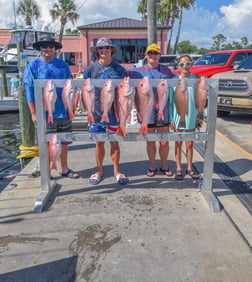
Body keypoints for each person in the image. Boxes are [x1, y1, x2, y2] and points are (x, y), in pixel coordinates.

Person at [23, 36, 79, 179]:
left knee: (64, 141)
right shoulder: (32, 66)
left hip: (63, 111)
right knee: (45, 142)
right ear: (40, 49)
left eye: (51, 46)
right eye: (44, 46)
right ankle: (46, 170)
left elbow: (70, 87)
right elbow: (29, 90)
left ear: (55, 49)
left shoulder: (63, 65)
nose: (48, 49)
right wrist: (33, 113)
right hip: (44, 113)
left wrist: (71, 107)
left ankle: (64, 168)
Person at [83, 37, 129, 185]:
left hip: (115, 113)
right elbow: (84, 90)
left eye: (107, 48)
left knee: (115, 143)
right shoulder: (90, 69)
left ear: (112, 50)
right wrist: (87, 110)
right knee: (99, 143)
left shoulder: (120, 69)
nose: (104, 50)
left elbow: (125, 92)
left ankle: (116, 170)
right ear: (97, 51)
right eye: (101, 48)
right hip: (95, 113)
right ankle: (99, 170)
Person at [129, 43, 174, 177]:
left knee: (164, 140)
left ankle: (164, 166)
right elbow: (122, 76)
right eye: (150, 53)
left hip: (163, 111)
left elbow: (177, 83)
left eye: (155, 53)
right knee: (150, 140)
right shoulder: (138, 71)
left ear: (160, 55)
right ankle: (153, 166)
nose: (152, 55)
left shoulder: (166, 71)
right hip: (146, 111)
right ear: (146, 55)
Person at [170, 54, 201, 181]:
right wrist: (172, 118)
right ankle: (178, 168)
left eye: (187, 64)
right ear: (178, 66)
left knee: (189, 143)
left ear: (191, 65)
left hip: (192, 115)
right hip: (178, 115)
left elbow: (200, 99)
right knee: (178, 143)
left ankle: (189, 167)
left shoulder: (196, 79)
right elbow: (170, 101)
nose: (185, 66)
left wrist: (199, 116)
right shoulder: (173, 80)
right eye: (182, 64)